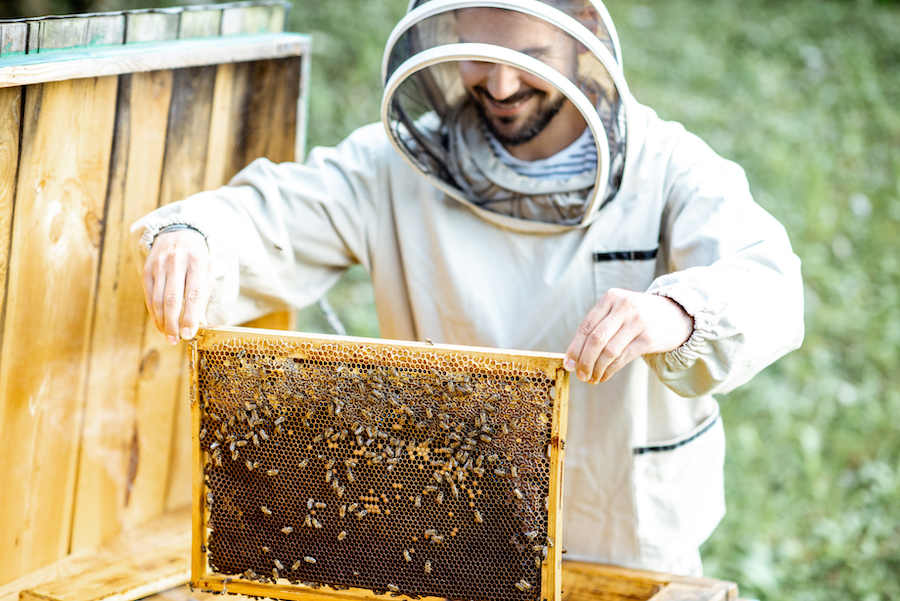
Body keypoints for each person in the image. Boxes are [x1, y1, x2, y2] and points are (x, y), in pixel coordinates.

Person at [132, 0, 804, 576]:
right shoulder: (390, 167)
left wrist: (676, 311)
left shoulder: (669, 166)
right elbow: (268, 216)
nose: (502, 83)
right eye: (477, 53)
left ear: (582, 41)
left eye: (531, 55)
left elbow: (766, 279)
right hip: (450, 539)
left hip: (626, 541)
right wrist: (195, 235)